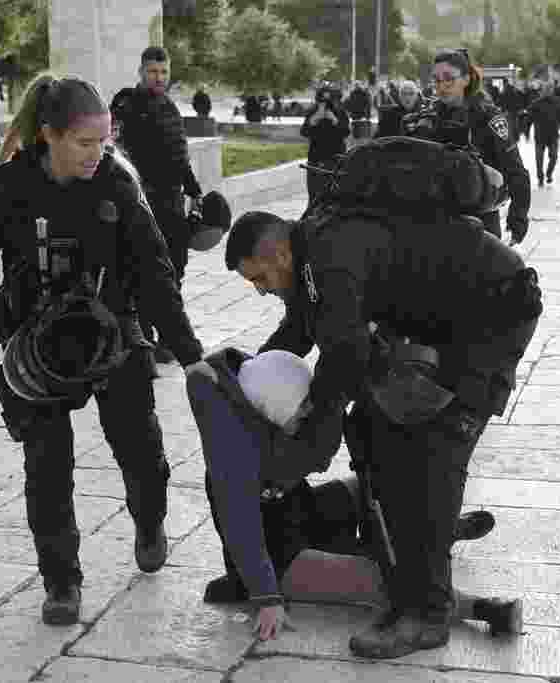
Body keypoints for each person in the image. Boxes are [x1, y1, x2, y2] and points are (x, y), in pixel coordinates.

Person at [0, 75, 205, 627]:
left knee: (141, 450)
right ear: (50, 136)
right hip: (36, 345)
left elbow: (155, 273)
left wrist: (190, 352)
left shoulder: (119, 182)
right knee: (47, 467)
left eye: (104, 142)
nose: (96, 154)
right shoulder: (8, 185)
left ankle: (150, 520)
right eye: (84, 143)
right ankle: (62, 582)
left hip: (112, 330)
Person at [221, 203, 541, 657]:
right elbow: (299, 331)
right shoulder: (309, 255)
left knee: (434, 449)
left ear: (278, 256)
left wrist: (299, 456)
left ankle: (427, 614)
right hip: (448, 319)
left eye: (260, 281)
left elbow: (342, 364)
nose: (261, 291)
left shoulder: (330, 260)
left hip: (491, 316)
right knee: (373, 427)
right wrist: (245, 376)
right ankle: (408, 542)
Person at [187, 348, 523, 641]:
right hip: (282, 561)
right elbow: (240, 527)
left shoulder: (249, 399)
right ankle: (486, 609)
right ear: (274, 405)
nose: (307, 413)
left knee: (374, 484)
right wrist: (267, 598)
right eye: (301, 407)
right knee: (382, 577)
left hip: (300, 512)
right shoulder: (230, 451)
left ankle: (436, 528)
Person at [111, 46, 204, 364]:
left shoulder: (170, 107)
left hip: (172, 201)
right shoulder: (125, 104)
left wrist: (195, 190)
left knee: (175, 267)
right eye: (153, 71)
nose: (159, 77)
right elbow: (117, 151)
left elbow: (181, 155)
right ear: (141, 71)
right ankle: (144, 336)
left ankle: (168, 336)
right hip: (141, 200)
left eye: (163, 72)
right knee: (143, 266)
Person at [404, 49, 530, 243]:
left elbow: (515, 170)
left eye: (448, 79)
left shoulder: (488, 117)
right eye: (436, 80)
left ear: (466, 79)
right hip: (435, 221)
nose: (442, 86)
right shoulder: (429, 116)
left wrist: (518, 220)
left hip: (479, 219)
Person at [300, 87, 350, 207]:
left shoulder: (340, 113)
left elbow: (346, 132)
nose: (325, 105)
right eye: (321, 102)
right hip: (315, 160)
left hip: (335, 160)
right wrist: (314, 119)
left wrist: (334, 120)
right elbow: (304, 132)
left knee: (334, 196)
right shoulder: (312, 113)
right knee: (314, 196)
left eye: (328, 102)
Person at [525, 81, 560, 187]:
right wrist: (526, 131)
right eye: (546, 89)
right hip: (540, 135)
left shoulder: (557, 101)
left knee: (554, 156)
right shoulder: (536, 103)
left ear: (552, 91)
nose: (547, 91)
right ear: (542, 91)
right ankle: (540, 178)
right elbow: (528, 118)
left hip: (553, 135)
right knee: (539, 159)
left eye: (549, 89)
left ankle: (549, 173)